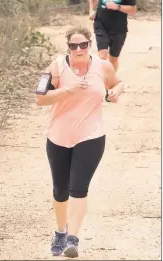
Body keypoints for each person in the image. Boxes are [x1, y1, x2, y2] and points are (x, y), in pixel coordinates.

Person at [35, 26, 124, 258]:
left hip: (91, 135)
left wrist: (115, 92)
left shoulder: (102, 66)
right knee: (60, 189)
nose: (79, 49)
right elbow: (39, 99)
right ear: (68, 47)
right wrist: (67, 90)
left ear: (89, 44)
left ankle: (72, 239)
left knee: (78, 187)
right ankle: (60, 232)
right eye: (73, 46)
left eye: (83, 45)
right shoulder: (56, 67)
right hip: (58, 135)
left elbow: (118, 82)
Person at [89, 0, 137, 72]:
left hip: (119, 28)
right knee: (102, 55)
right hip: (101, 25)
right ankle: (102, 82)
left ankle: (111, 81)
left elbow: (133, 9)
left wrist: (118, 7)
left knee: (113, 59)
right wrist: (91, 10)